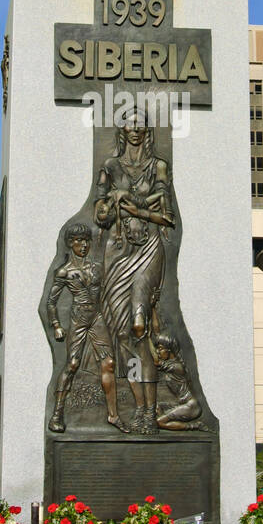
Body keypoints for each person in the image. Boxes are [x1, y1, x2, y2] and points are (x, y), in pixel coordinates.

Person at [94, 115, 174, 434]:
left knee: (139, 326)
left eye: (141, 125)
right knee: (124, 336)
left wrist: (130, 205)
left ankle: (151, 408)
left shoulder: (159, 166)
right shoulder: (110, 166)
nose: (136, 130)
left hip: (148, 248)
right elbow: (100, 213)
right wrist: (111, 204)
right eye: (130, 125)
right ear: (122, 131)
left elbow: (165, 211)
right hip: (117, 251)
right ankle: (141, 409)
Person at [46, 222, 124, 434]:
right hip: (79, 318)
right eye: (79, 241)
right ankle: (57, 414)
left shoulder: (96, 267)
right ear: (71, 243)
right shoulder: (64, 272)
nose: (84, 245)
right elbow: (50, 303)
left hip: (97, 317)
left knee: (108, 362)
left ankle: (113, 415)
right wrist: (56, 325)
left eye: (86, 241)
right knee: (72, 364)